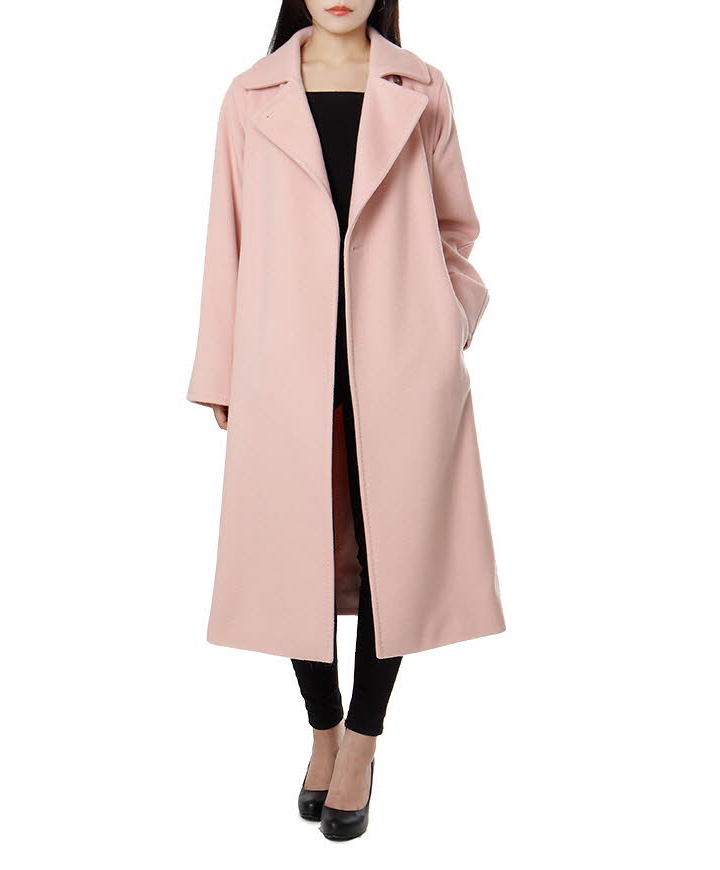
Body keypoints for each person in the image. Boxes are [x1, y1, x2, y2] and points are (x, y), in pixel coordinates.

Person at [186, 0, 505, 841]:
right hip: (282, 362)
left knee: (399, 553)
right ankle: (322, 728)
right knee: (290, 555)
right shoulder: (250, 94)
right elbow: (226, 239)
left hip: (400, 359)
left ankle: (363, 740)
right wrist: (220, 368)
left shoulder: (422, 87)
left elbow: (457, 230)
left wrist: (447, 322)